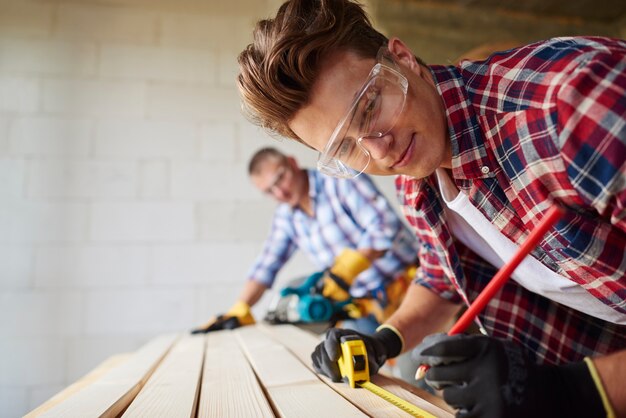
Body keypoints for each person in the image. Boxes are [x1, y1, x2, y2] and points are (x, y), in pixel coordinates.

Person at [236, 1, 626, 417]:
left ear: (402, 59)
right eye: (345, 147)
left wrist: (573, 392)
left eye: (369, 106)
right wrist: (385, 340)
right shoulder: (416, 180)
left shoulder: (572, 105)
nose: (379, 148)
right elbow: (440, 279)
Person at [192, 147, 420, 335]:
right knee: (351, 364)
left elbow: (384, 225)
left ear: (292, 162)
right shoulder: (286, 216)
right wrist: (239, 308)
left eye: (280, 179)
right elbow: (266, 264)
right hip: (363, 305)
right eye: (270, 191)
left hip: (409, 287)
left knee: (416, 370)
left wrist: (347, 268)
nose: (280, 193)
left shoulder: (338, 178)